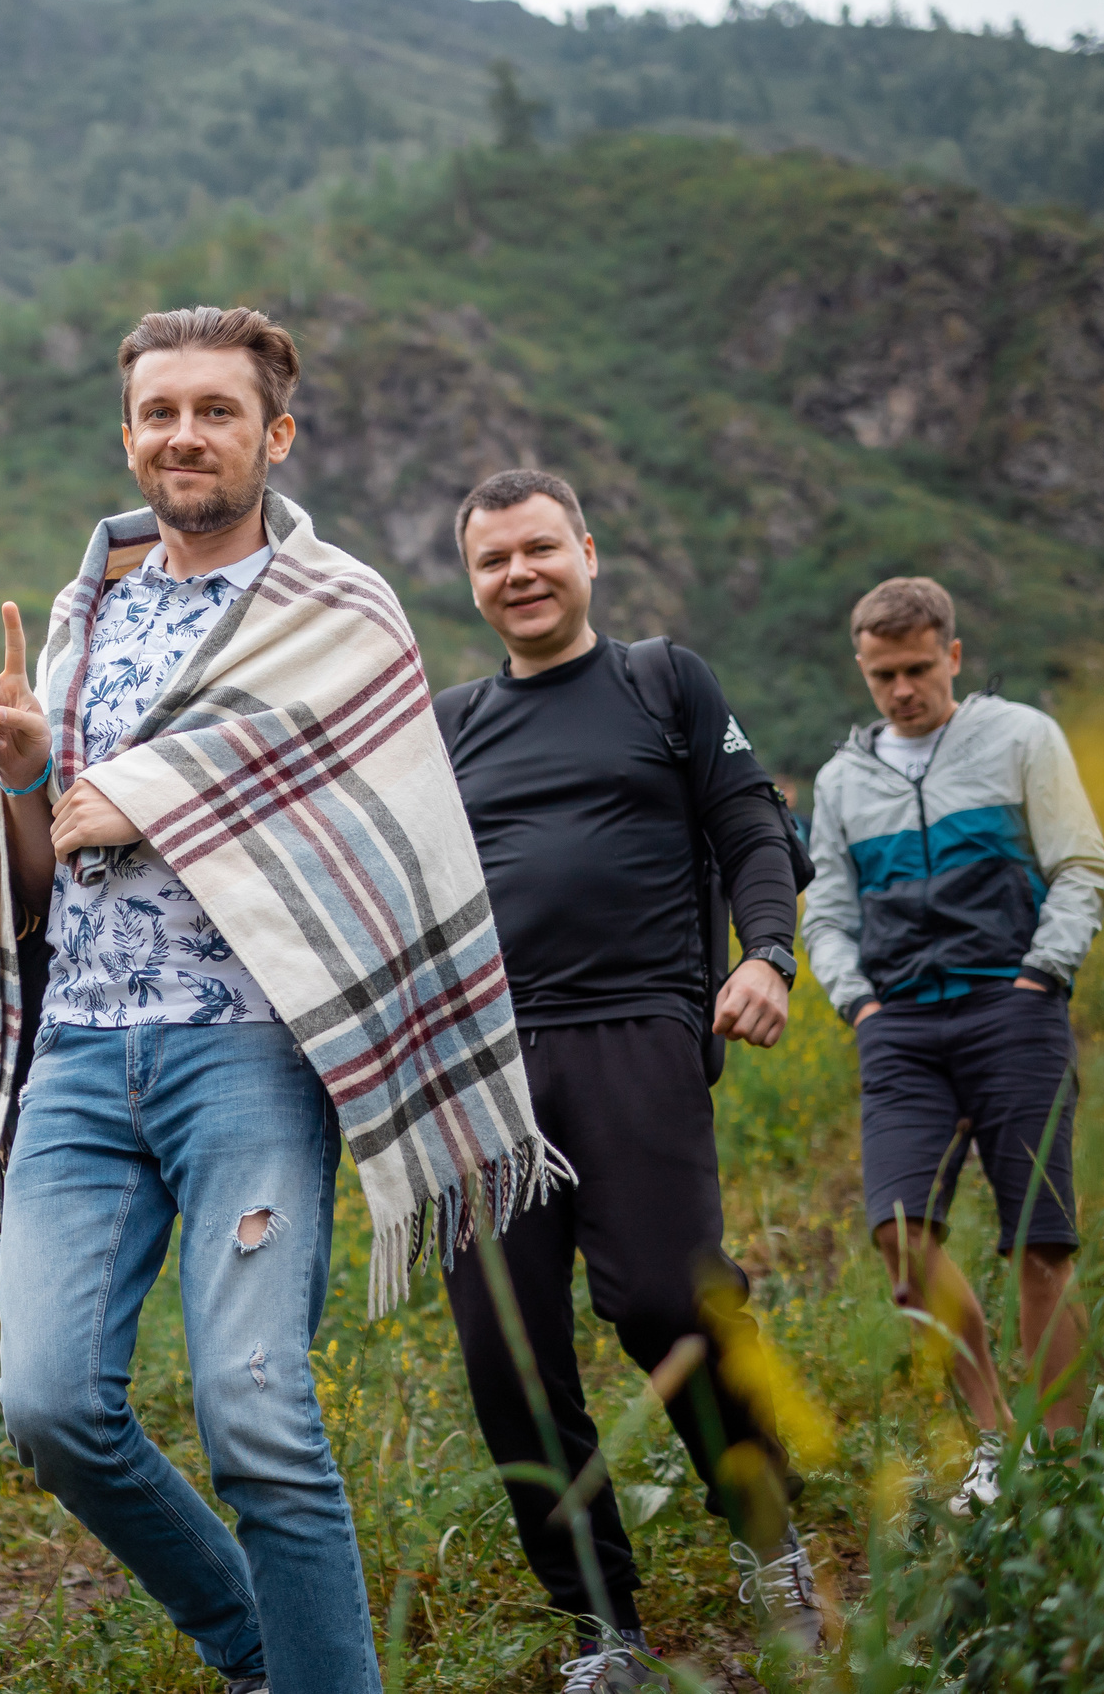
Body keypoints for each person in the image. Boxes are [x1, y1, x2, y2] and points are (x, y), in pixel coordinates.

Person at [0, 306, 556, 1694]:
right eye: (159, 412)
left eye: (215, 410)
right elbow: (50, 865)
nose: (183, 435)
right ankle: (261, 1646)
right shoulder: (90, 618)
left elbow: (367, 831)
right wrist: (31, 770)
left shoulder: (337, 614)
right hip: (83, 1056)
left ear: (274, 435)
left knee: (257, 1409)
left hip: (251, 1056)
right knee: (47, 1406)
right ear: (128, 436)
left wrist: (143, 792)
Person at [430, 468, 821, 1692]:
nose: (519, 575)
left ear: (587, 554)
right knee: (507, 1358)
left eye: (539, 549)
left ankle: (769, 1540)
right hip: (482, 1068)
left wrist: (767, 955)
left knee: (666, 1301)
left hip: (636, 1034)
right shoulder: (449, 724)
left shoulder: (665, 681)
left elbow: (753, 829)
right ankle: (606, 1629)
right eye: (494, 560)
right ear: (474, 580)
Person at [802, 577, 1104, 1511]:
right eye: (882, 674)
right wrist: (856, 1001)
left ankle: (1063, 1458)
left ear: (952, 654)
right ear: (862, 668)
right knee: (900, 1237)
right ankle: (993, 1437)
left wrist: (1042, 974)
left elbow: (1082, 862)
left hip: (1011, 1009)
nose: (902, 690)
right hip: (899, 1025)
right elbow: (827, 904)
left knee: (1040, 1243)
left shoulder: (1021, 737)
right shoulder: (840, 781)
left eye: (916, 669)